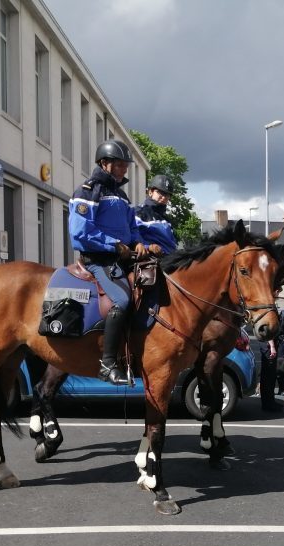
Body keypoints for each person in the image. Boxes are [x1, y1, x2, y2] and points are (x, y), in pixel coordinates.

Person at [69, 140, 149, 385]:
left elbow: (132, 228)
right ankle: (107, 363)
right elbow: (79, 232)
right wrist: (113, 244)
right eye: (120, 164)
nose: (124, 169)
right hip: (99, 260)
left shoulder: (122, 197)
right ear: (104, 163)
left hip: (123, 258)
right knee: (122, 300)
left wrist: (138, 243)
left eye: (125, 165)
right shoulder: (87, 191)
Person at [134, 174, 177, 255]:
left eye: (167, 194)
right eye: (160, 192)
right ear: (150, 192)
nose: (164, 197)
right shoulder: (138, 212)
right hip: (150, 258)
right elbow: (132, 235)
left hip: (170, 258)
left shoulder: (166, 220)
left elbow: (173, 244)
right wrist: (148, 246)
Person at [258, 338, 283, 412]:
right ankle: (268, 404)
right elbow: (268, 331)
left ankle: (270, 402)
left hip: (268, 343)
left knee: (270, 375)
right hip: (268, 345)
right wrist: (272, 346)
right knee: (268, 376)